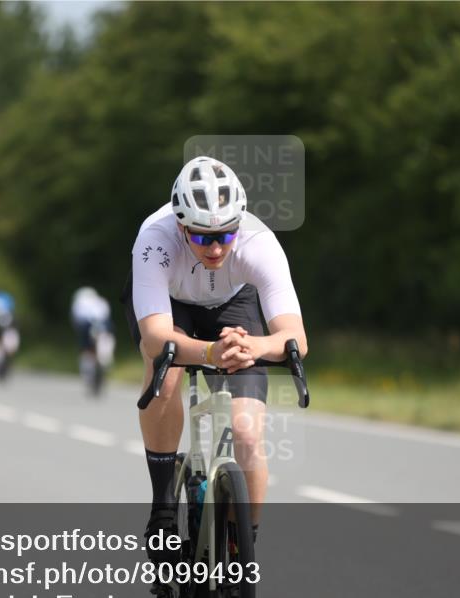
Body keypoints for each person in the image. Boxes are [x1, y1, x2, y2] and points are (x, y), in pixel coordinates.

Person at [124, 156, 308, 560]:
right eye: (201, 236)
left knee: (247, 433)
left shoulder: (259, 243)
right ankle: (163, 510)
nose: (214, 247)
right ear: (180, 226)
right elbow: (155, 337)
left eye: (225, 235)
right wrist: (210, 352)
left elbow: (295, 336)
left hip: (232, 304)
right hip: (171, 305)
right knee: (166, 371)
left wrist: (253, 347)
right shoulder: (155, 240)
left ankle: (243, 547)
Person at [71, 286, 115, 393]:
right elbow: (106, 316)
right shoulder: (101, 301)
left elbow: (76, 321)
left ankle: (89, 372)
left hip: (87, 327)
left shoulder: (78, 303)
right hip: (103, 327)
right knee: (104, 349)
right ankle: (104, 361)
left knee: (86, 351)